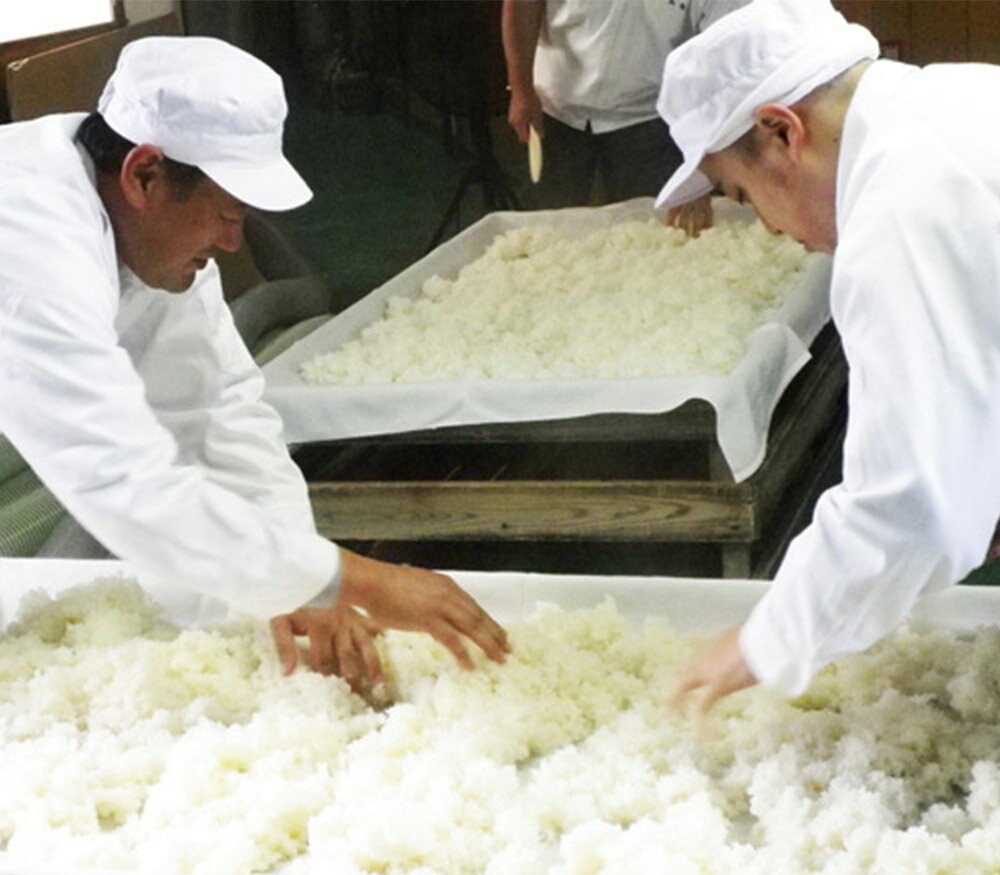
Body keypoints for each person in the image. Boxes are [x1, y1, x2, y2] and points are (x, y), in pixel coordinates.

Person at [0, 35, 509, 687]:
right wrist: (356, 578)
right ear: (144, 174)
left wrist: (297, 579)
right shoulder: (30, 244)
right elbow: (120, 480)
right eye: (226, 214)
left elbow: (219, 413)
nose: (233, 242)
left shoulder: (152, 244)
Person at [654, 0, 1000, 716]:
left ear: (783, 130)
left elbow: (911, 509)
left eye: (744, 196)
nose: (774, 229)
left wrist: (766, 640)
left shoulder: (897, 217)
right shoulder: (962, 96)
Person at [501, 0, 745, 233]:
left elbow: (723, 62)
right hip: (557, 106)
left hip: (651, 117)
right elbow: (523, 5)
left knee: (647, 233)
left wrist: (699, 168)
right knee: (548, 226)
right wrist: (521, 89)